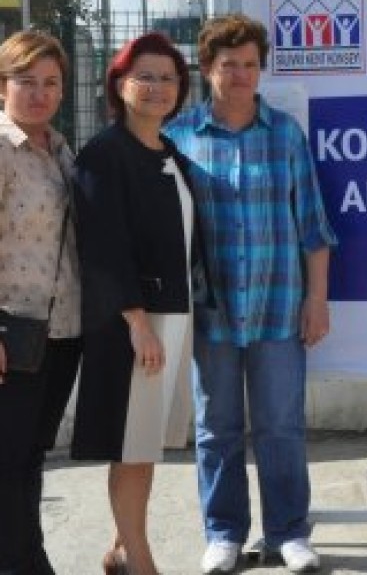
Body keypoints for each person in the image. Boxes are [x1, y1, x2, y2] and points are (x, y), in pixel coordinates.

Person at [165, 14, 336, 575]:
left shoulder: (284, 134)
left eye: (249, 64)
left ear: (261, 69)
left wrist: (317, 300)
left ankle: (288, 533)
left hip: (278, 306)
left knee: (281, 426)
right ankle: (223, 533)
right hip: (210, 312)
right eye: (228, 64)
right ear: (206, 68)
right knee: (217, 430)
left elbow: (313, 226)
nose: (240, 75)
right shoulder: (180, 137)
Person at [71, 32, 208, 575]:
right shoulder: (104, 155)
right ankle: (141, 563)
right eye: (144, 76)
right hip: (135, 322)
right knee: (130, 447)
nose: (157, 87)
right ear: (120, 84)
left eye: (168, 78)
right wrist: (137, 323)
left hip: (171, 315)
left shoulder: (170, 153)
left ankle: (122, 547)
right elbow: (103, 247)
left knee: (145, 445)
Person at [0, 31, 82, 575]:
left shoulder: (59, 149)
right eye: (26, 81)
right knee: (8, 461)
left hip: (61, 331)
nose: (39, 93)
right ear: (2, 85)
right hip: (13, 331)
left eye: (51, 82)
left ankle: (28, 558)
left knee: (30, 458)